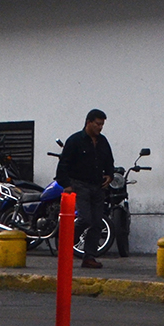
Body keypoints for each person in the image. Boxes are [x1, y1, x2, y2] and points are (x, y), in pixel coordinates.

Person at [55, 109, 115, 269]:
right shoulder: (75, 141)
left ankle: (89, 257)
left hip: (98, 186)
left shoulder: (103, 142)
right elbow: (63, 164)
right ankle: (66, 242)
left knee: (96, 222)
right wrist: (66, 184)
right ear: (88, 122)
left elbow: (109, 162)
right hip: (79, 185)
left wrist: (110, 175)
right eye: (97, 124)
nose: (100, 127)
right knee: (85, 218)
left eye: (102, 124)